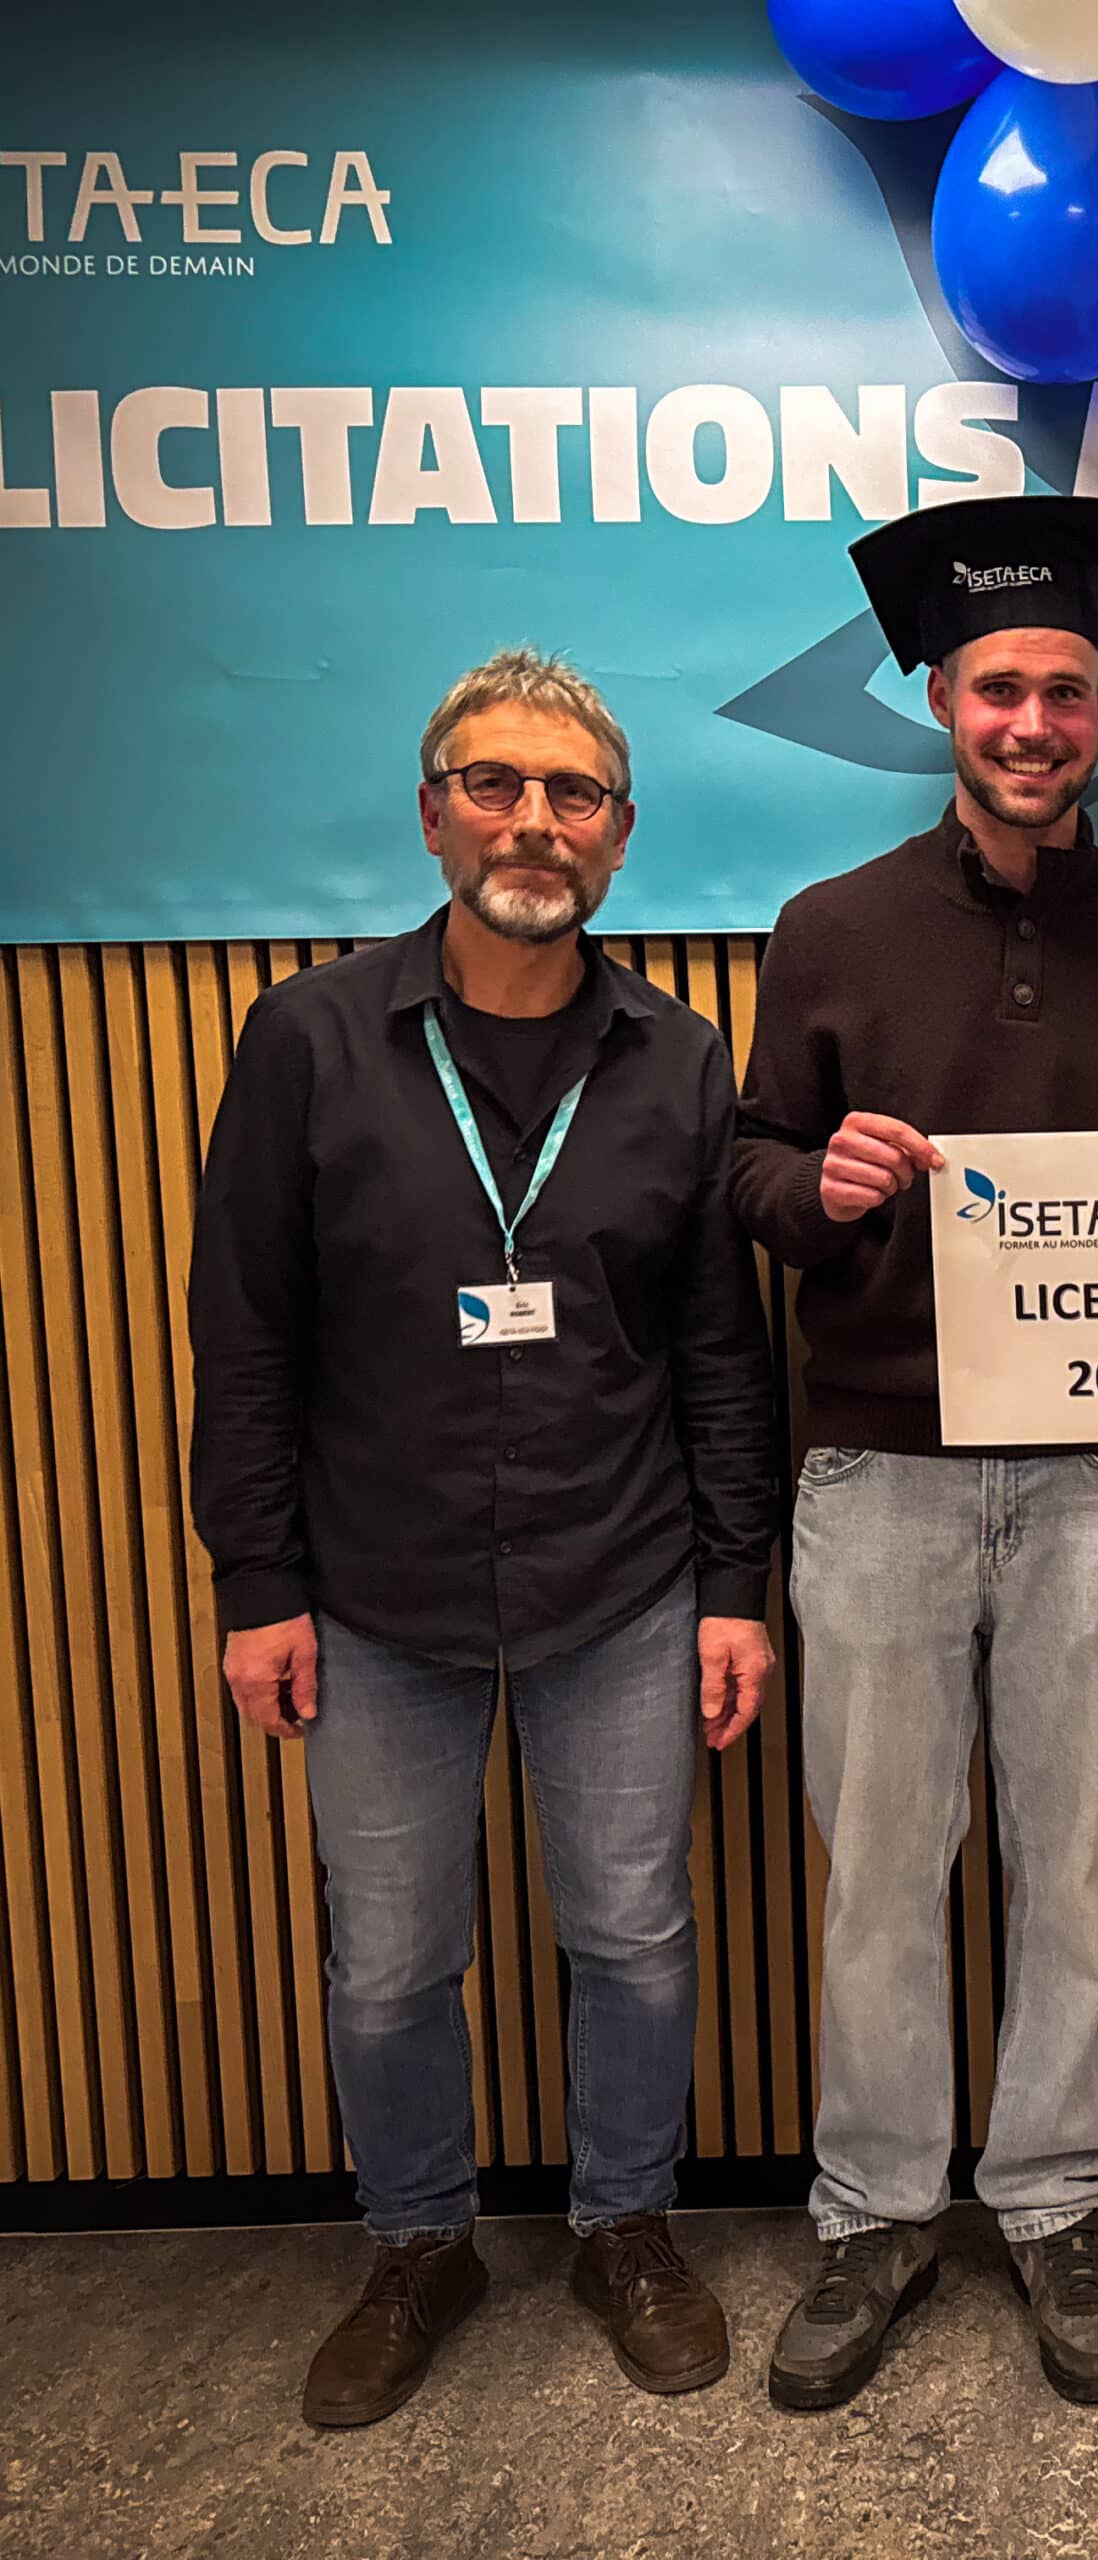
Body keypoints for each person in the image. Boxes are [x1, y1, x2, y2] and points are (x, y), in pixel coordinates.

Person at [188, 647, 780, 2426]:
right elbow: (247, 1334)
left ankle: (625, 2227)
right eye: (496, 785)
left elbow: (719, 1350)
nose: (535, 821)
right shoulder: (308, 1040)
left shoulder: (678, 1055)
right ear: (433, 813)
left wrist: (735, 1589)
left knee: (635, 1935)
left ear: (621, 835)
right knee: (387, 1960)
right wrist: (256, 1583)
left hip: (623, 1578)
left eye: (572, 794)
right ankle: (417, 2242)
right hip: (375, 1592)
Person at [730, 494, 1098, 2412]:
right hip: (878, 1467)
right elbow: (749, 1173)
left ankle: (1053, 2201)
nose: (1034, 723)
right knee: (878, 1869)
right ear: (941, 701)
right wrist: (820, 1186)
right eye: (999, 690)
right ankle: (874, 2209)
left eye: (1066, 690)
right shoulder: (830, 930)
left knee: (1075, 1859)